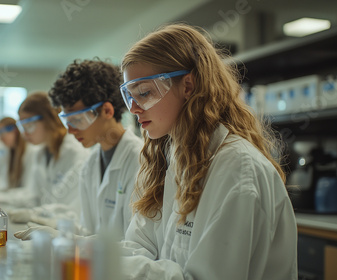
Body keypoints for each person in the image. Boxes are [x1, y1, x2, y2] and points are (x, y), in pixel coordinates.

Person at [118, 24, 297, 279]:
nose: (134, 108)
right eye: (129, 96)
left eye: (144, 92)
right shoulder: (171, 160)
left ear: (188, 86)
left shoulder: (237, 168)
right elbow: (139, 247)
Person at [13, 59, 143, 240]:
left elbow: (135, 248)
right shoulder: (91, 163)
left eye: (77, 119)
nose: (70, 130)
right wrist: (58, 232)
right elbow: (88, 231)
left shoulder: (139, 161)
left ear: (106, 111)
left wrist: (65, 238)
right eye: (67, 120)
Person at [16, 92, 89, 210]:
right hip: (46, 223)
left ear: (48, 119)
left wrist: (34, 213)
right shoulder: (40, 153)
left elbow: (67, 207)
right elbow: (34, 197)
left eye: (29, 125)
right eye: (22, 126)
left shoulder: (75, 152)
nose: (25, 133)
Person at [0, 117, 32, 193]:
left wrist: (1, 197)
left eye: (2, 133)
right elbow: (6, 183)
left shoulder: (29, 151)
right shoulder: (9, 152)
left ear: (14, 131)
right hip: (15, 199)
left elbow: (28, 191)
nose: (0, 138)